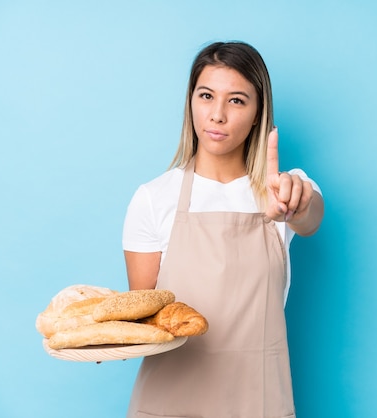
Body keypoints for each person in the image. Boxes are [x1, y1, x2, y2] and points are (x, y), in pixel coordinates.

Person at [122, 41, 324, 418]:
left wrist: (295, 204)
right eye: (206, 95)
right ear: (190, 103)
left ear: (256, 114)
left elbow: (310, 218)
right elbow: (144, 320)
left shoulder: (283, 189)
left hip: (257, 401)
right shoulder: (153, 198)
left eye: (236, 100)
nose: (217, 114)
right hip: (169, 402)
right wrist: (101, 340)